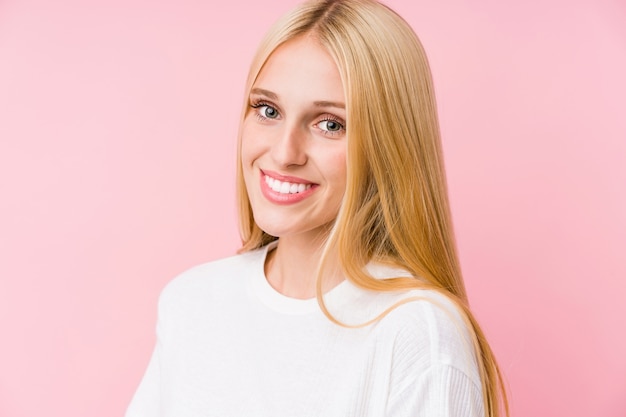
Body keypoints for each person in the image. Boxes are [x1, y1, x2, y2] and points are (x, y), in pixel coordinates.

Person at [126, 0, 508, 416]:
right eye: (268, 111)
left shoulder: (418, 334)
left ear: (389, 144)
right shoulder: (191, 302)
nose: (284, 153)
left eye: (330, 124)